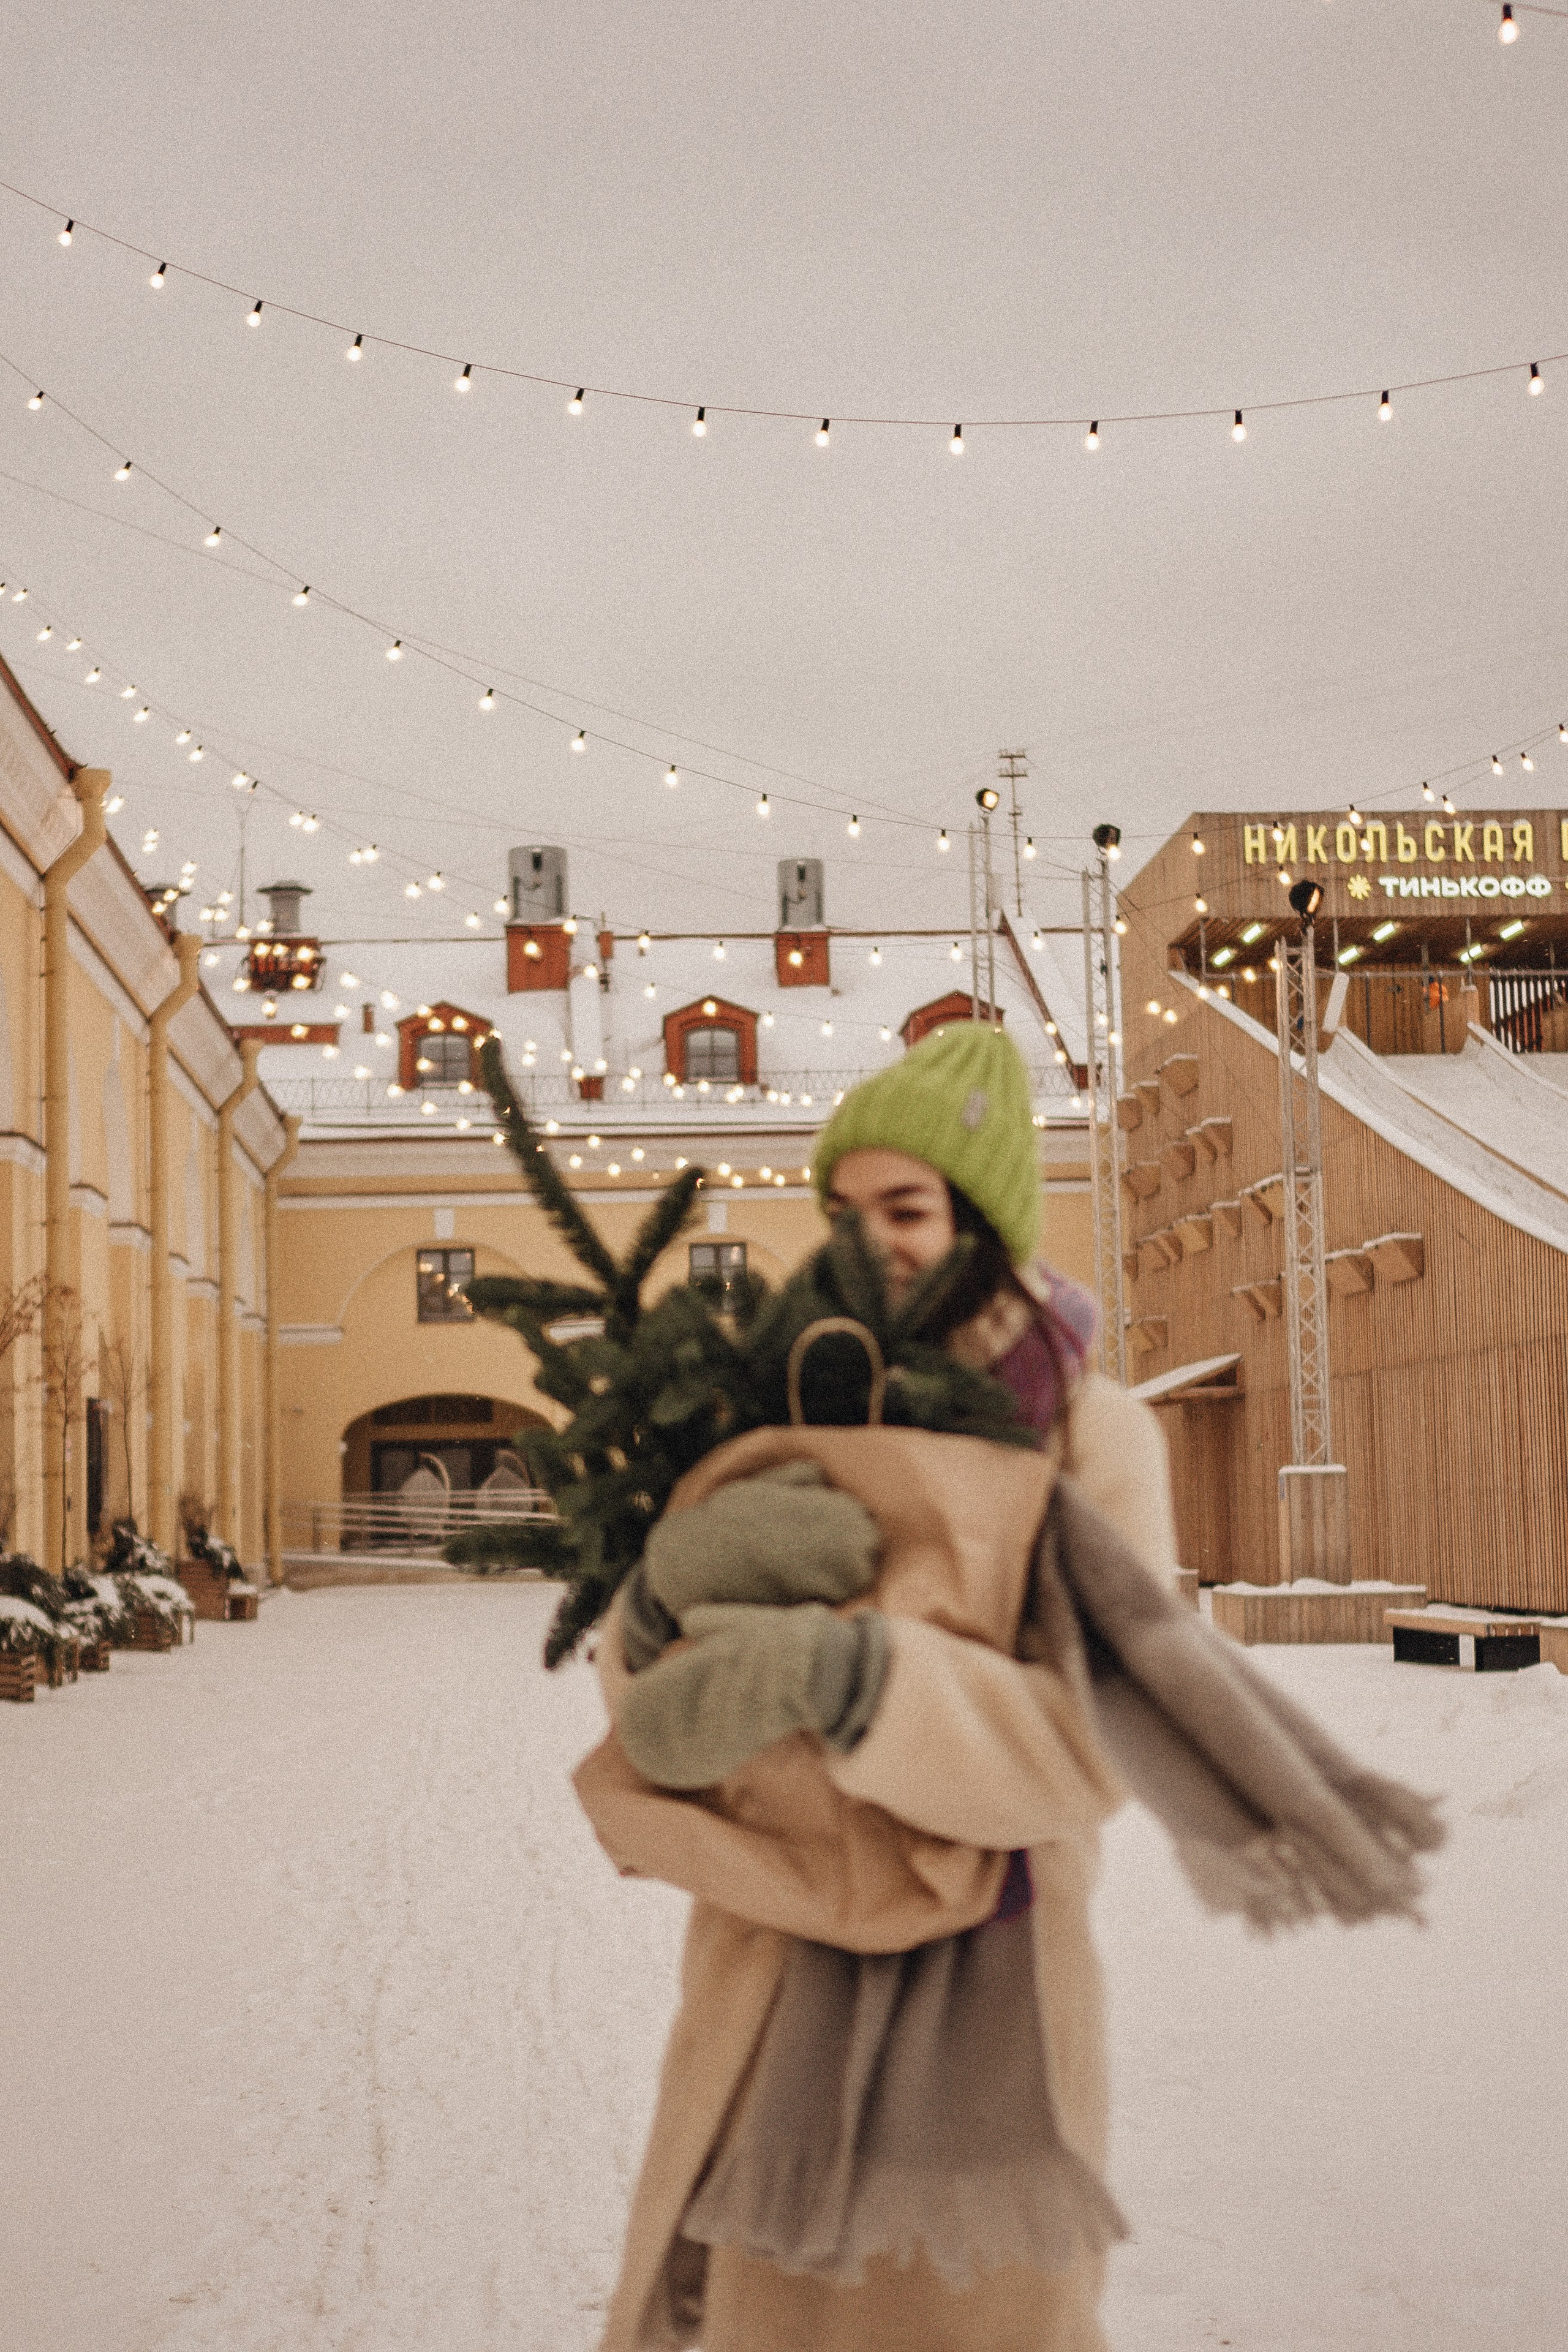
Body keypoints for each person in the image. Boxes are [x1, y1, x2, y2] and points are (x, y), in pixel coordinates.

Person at [590, 1023, 1180, 2351]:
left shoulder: (1092, 1431)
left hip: (989, 1990)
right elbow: (655, 1711)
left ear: (984, 1215)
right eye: (844, 1211)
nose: (871, 1241)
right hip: (768, 1965)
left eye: (905, 1206)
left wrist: (858, 1679)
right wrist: (662, 1596)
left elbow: (1099, 1744)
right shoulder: (794, 1402)